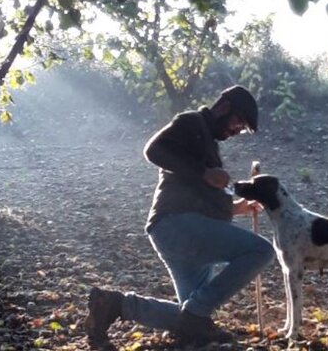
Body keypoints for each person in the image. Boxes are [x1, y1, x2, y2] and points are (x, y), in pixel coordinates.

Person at [85, 85, 275, 348]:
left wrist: (236, 207)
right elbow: (153, 150)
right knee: (262, 251)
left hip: (181, 232)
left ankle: (114, 304)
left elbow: (198, 194)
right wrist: (204, 173)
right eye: (238, 122)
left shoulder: (207, 140)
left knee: (191, 316)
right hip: (179, 226)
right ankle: (197, 315)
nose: (237, 131)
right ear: (224, 107)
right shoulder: (191, 122)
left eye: (242, 128)